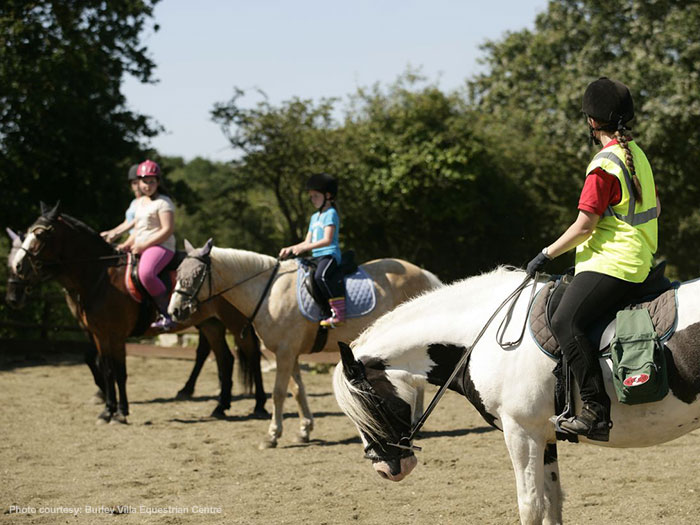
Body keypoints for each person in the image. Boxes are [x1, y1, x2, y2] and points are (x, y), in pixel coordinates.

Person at [526, 77, 660, 442]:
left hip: (615, 264)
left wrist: (545, 254)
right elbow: (655, 207)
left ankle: (595, 411)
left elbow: (584, 226)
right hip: (638, 259)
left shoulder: (603, 164)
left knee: (564, 320)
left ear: (591, 121)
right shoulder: (637, 155)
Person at [279, 173, 346, 327]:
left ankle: (339, 313)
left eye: (315, 196)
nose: (312, 199)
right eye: (311, 196)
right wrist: (291, 248)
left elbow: (327, 240)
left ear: (328, 196)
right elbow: (307, 241)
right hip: (316, 256)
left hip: (329, 254)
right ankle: (322, 310)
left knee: (321, 277)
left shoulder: (331, 214)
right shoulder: (314, 217)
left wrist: (303, 247)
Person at [117, 159, 177, 331]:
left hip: (162, 246)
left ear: (158, 182)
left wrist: (143, 246)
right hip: (143, 244)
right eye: (144, 181)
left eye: (152, 181)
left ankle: (167, 314)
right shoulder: (141, 203)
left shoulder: (164, 203)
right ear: (139, 182)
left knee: (146, 273)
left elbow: (167, 230)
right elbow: (138, 229)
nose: (148, 185)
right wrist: (125, 244)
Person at [100, 164, 141, 243]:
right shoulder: (134, 202)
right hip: (132, 239)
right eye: (134, 183)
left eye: (139, 183)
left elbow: (137, 223)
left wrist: (117, 234)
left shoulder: (146, 202)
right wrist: (110, 232)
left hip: (139, 240)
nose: (137, 186)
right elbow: (126, 223)